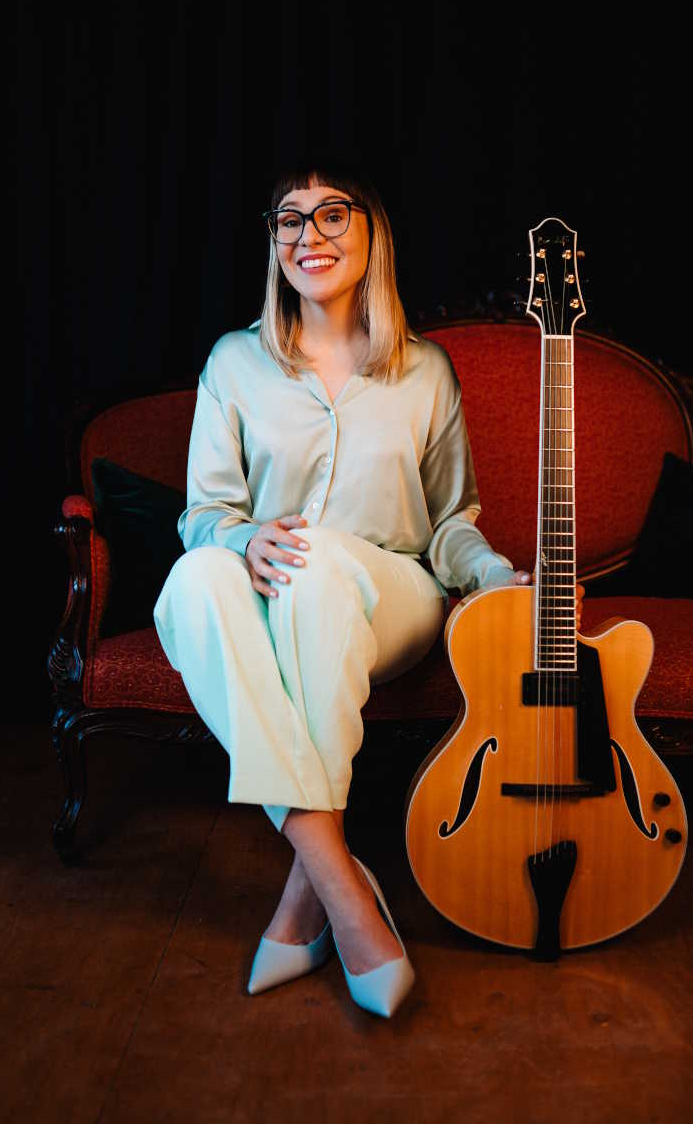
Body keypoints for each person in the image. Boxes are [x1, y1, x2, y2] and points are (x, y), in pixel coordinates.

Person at [153, 161, 584, 1018]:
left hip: (394, 592)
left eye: (330, 217)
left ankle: (317, 900)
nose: (307, 237)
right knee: (194, 580)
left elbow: (451, 518)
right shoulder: (235, 362)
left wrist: (495, 575)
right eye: (289, 221)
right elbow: (204, 513)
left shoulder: (424, 371)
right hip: (273, 583)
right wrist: (242, 537)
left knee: (318, 571)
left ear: (372, 234)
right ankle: (338, 885)